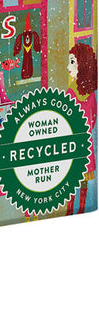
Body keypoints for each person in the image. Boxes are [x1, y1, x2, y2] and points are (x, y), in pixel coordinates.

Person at [66, 42, 97, 215]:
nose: (68, 67)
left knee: (76, 178)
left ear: (82, 64)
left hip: (77, 141)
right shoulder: (87, 93)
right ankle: (77, 209)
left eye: (72, 62)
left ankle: (76, 210)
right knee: (78, 179)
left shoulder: (74, 92)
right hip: (82, 140)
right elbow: (92, 119)